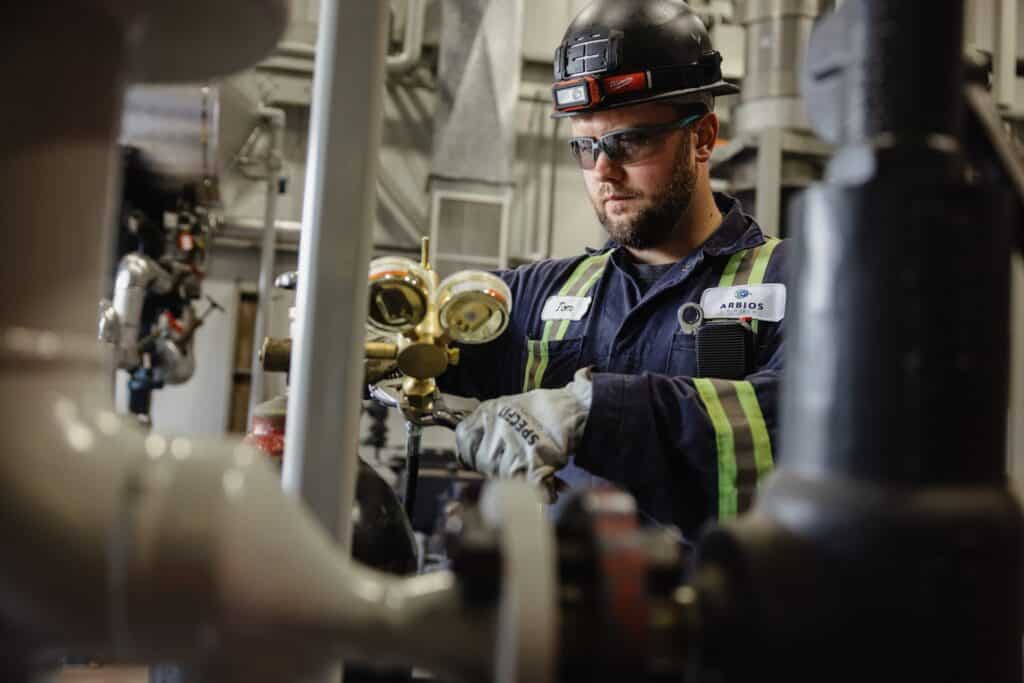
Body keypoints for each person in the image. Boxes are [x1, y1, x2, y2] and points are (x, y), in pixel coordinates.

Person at [438, 0, 788, 540]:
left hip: (722, 608)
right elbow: (437, 330)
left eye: (629, 141)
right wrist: (380, 317)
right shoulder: (546, 294)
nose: (604, 170)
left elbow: (795, 417)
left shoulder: (796, 284)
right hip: (559, 610)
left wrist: (591, 411)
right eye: (585, 145)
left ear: (702, 137)